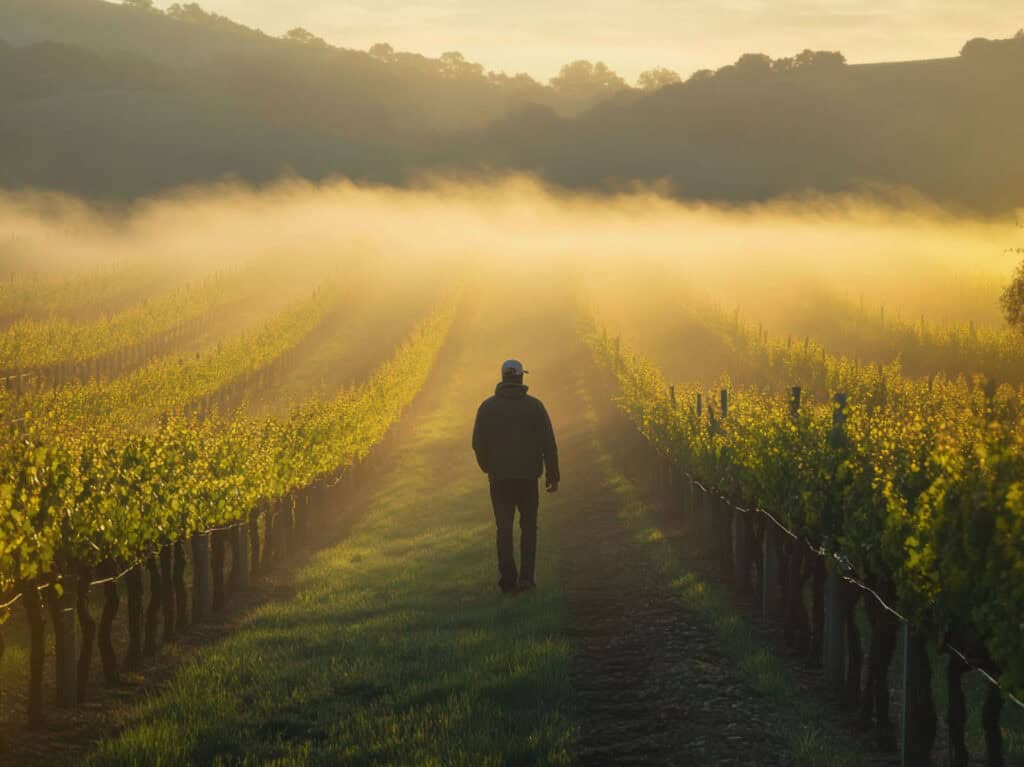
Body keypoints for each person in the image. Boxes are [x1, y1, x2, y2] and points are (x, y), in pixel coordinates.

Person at [472, 359, 560, 594]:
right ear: (521, 378)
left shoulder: (487, 408)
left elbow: (477, 443)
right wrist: (553, 475)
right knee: (529, 527)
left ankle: (508, 580)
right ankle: (527, 579)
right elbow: (548, 445)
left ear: (503, 378)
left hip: (499, 479)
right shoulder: (535, 407)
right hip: (528, 478)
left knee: (504, 528)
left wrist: (488, 467)